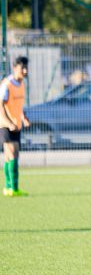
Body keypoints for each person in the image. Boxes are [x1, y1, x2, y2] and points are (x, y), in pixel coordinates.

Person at [2, 57, 30, 197]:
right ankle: (13, 188)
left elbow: (18, 105)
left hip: (16, 124)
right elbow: (0, 105)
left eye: (26, 68)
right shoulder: (7, 84)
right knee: (12, 153)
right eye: (22, 68)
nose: (25, 71)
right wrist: (8, 123)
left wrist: (23, 117)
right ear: (14, 68)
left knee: (12, 155)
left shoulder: (22, 84)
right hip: (5, 124)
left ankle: (8, 187)